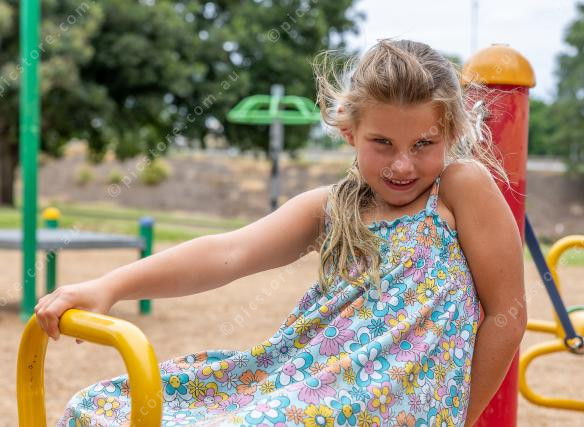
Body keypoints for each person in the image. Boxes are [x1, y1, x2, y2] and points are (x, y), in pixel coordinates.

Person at [36, 39, 526, 427]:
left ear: (451, 134)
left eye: (423, 144)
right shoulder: (333, 208)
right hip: (304, 383)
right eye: (382, 142)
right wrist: (110, 287)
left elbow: (507, 313)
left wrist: (459, 416)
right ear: (349, 132)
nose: (402, 164)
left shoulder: (458, 190)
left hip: (383, 408)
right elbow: (228, 252)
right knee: (101, 406)